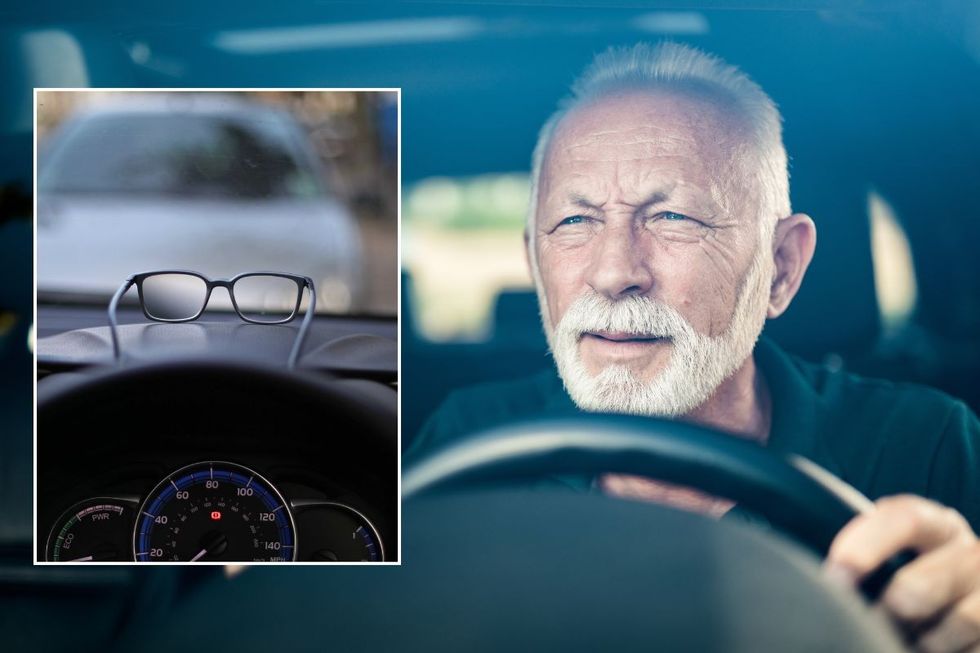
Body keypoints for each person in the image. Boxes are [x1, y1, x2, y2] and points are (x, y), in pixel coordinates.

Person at [409, 42, 980, 652]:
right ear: (533, 261)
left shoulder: (925, 445)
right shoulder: (464, 443)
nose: (612, 272)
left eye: (673, 217)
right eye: (574, 223)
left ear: (781, 267)